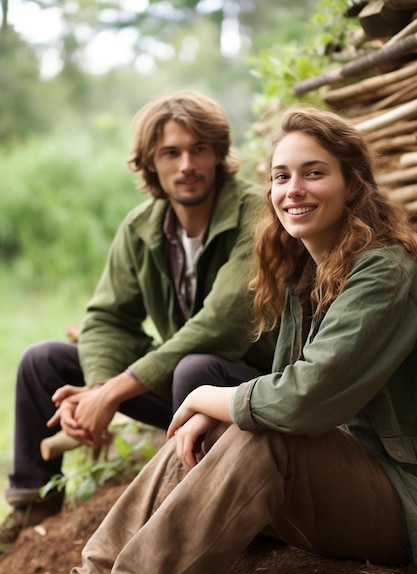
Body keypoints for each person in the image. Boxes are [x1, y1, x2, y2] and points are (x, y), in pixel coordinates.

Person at [32, 104, 417, 574]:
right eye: (282, 176)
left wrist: (205, 397)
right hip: (343, 482)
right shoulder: (306, 274)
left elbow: (303, 400)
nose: (293, 189)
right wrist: (219, 413)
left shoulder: (385, 273)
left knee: (261, 430)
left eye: (314, 172)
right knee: (206, 433)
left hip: (400, 499)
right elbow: (284, 394)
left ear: (353, 186)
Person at [0, 90, 276, 545]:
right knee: (42, 361)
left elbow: (222, 324)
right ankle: (33, 508)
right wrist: (96, 390)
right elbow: (108, 318)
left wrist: (112, 392)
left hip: (251, 387)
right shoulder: (141, 226)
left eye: (198, 149)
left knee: (197, 366)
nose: (186, 164)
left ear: (218, 155)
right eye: (171, 153)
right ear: (151, 163)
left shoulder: (256, 215)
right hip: (182, 386)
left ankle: (219, 517)